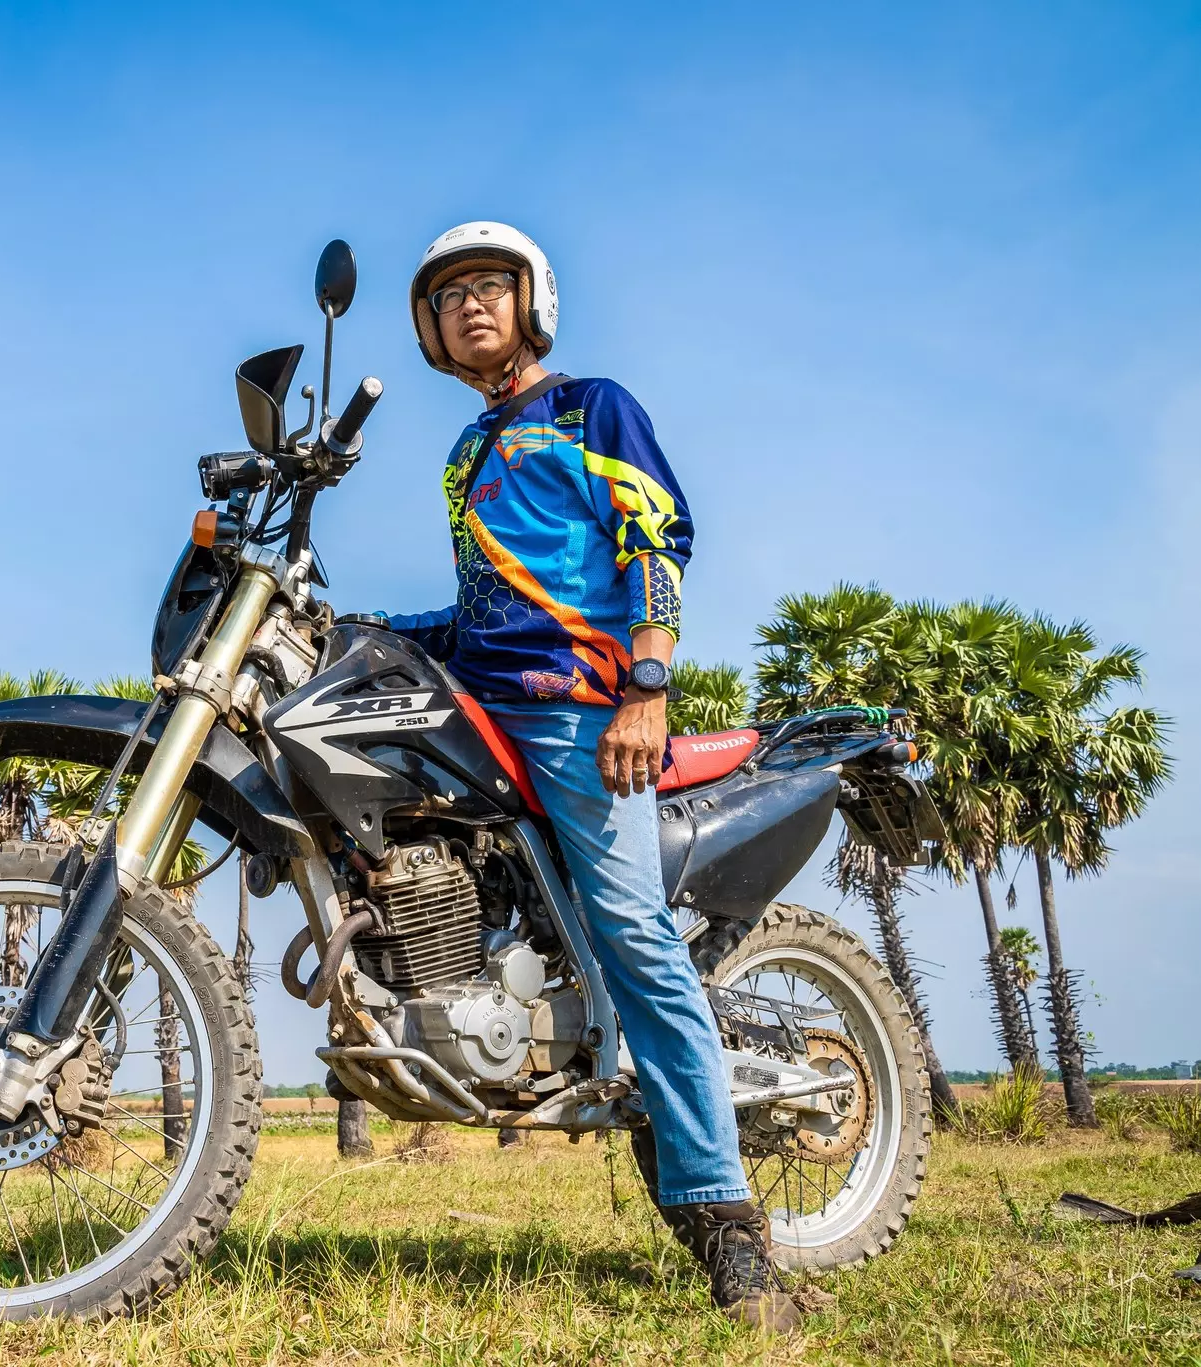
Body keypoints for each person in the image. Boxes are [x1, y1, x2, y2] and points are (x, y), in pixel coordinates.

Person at [362, 221, 801, 1333]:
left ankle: (728, 1220)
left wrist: (646, 685)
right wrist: (372, 629)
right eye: (449, 294)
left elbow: (656, 536)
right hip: (482, 708)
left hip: (574, 710)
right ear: (429, 327)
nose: (469, 304)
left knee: (634, 933)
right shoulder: (467, 451)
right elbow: (483, 611)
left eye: (487, 285)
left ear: (532, 301)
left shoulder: (588, 408)